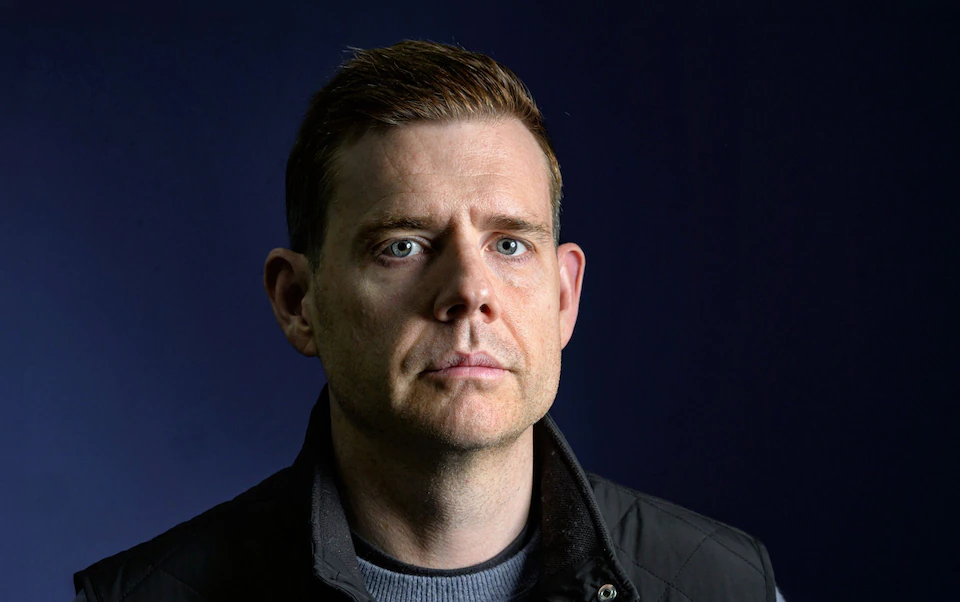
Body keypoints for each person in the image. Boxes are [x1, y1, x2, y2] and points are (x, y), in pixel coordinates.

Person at [72, 40, 786, 602]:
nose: (470, 292)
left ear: (564, 296)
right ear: (298, 302)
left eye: (510, 245)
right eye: (404, 246)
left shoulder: (726, 587)